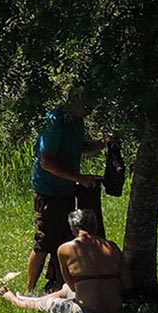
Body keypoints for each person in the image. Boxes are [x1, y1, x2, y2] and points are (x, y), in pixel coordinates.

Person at [27, 93, 108, 292]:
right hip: (48, 190)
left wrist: (103, 143)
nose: (90, 109)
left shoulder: (77, 121)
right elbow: (46, 162)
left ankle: (57, 283)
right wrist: (80, 178)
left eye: (92, 105)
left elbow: (82, 148)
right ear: (73, 100)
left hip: (66, 189)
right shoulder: (55, 121)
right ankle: (29, 290)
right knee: (44, 242)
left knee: (64, 238)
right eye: (86, 104)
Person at [3, 207, 126, 313]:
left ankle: (15, 299)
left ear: (73, 229)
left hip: (87, 311)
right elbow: (127, 283)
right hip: (115, 310)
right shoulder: (112, 247)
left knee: (46, 304)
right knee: (66, 289)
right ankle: (31, 298)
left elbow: (73, 286)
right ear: (95, 227)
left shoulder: (65, 249)